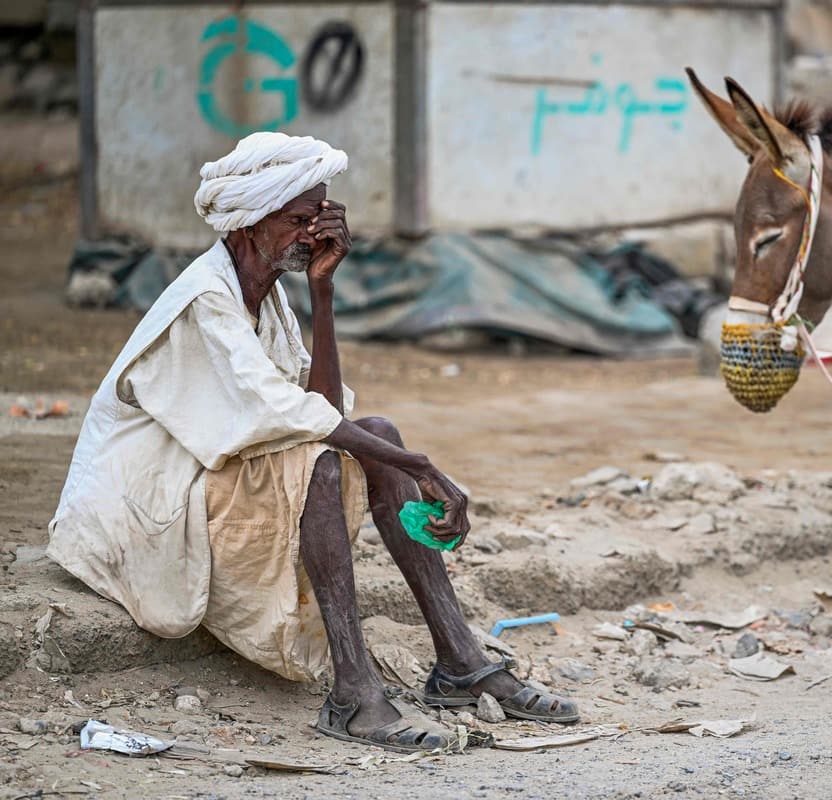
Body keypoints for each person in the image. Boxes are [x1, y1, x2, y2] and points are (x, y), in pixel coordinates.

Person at [48, 132, 577, 754]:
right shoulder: (204, 301)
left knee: (377, 434)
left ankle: (461, 660)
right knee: (325, 462)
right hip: (140, 509)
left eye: (321, 218)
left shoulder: (267, 299)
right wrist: (422, 466)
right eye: (300, 220)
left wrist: (323, 290)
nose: (314, 234)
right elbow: (286, 415)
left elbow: (322, 406)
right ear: (249, 223)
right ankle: (354, 691)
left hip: (200, 482)